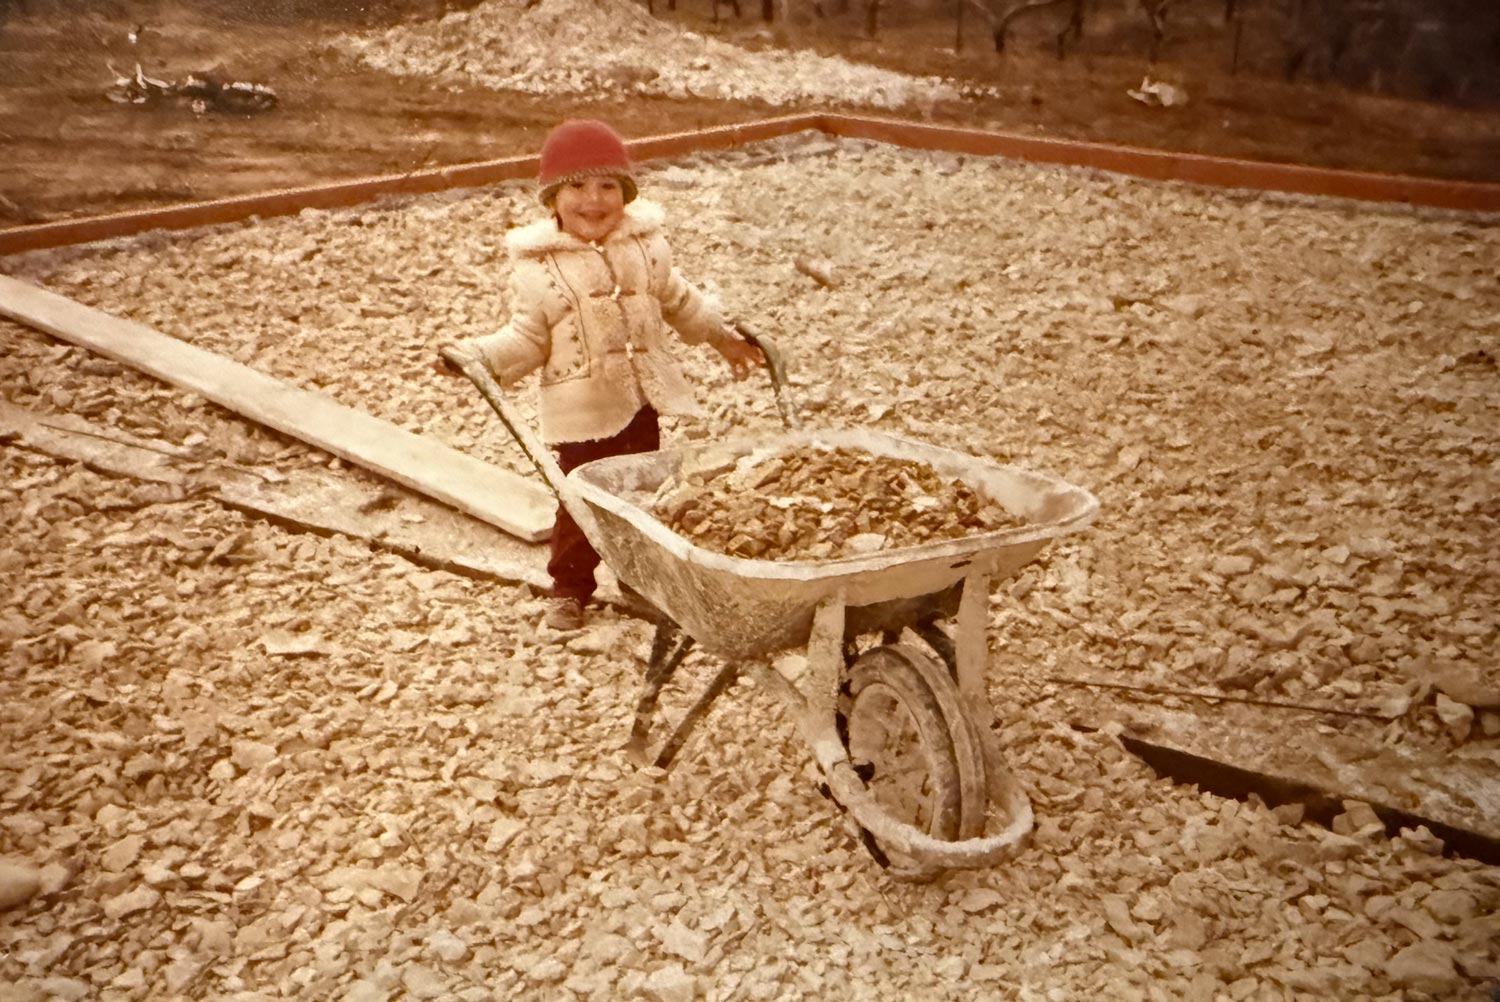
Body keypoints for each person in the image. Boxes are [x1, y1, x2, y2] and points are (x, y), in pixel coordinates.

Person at [444, 118, 762, 630]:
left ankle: (641, 579)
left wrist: (723, 338)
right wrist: (477, 357)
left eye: (607, 186)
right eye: (576, 187)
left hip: (640, 397)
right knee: (581, 502)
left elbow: (680, 301)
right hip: (582, 410)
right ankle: (570, 588)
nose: (593, 200)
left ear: (627, 194)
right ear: (552, 200)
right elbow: (527, 339)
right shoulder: (539, 268)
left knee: (643, 492)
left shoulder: (646, 248)